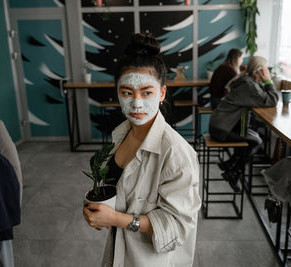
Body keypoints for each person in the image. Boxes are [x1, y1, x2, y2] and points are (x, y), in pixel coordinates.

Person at [83, 33, 201, 267]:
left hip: (151, 260)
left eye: (147, 92)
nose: (136, 103)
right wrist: (98, 210)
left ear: (162, 93)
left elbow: (178, 226)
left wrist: (116, 218)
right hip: (119, 251)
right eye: (127, 92)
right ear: (117, 93)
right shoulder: (121, 134)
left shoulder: (176, 153)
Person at [209, 56, 279, 191]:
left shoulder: (246, 82)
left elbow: (264, 97)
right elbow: (272, 100)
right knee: (256, 141)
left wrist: (264, 82)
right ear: (259, 71)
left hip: (221, 124)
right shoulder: (249, 86)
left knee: (254, 136)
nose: (267, 72)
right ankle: (233, 172)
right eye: (265, 70)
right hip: (222, 129)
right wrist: (268, 80)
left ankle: (230, 165)